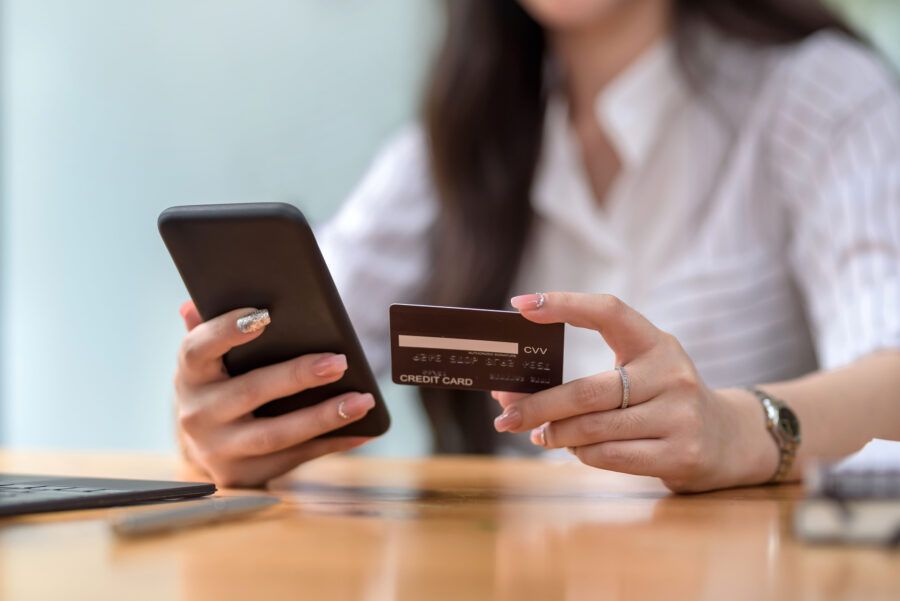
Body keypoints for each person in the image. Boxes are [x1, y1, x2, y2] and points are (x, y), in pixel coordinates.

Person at [172, 0, 900, 491]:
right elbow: (295, 342)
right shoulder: (458, 145)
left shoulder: (823, 98)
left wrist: (741, 428)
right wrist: (224, 425)